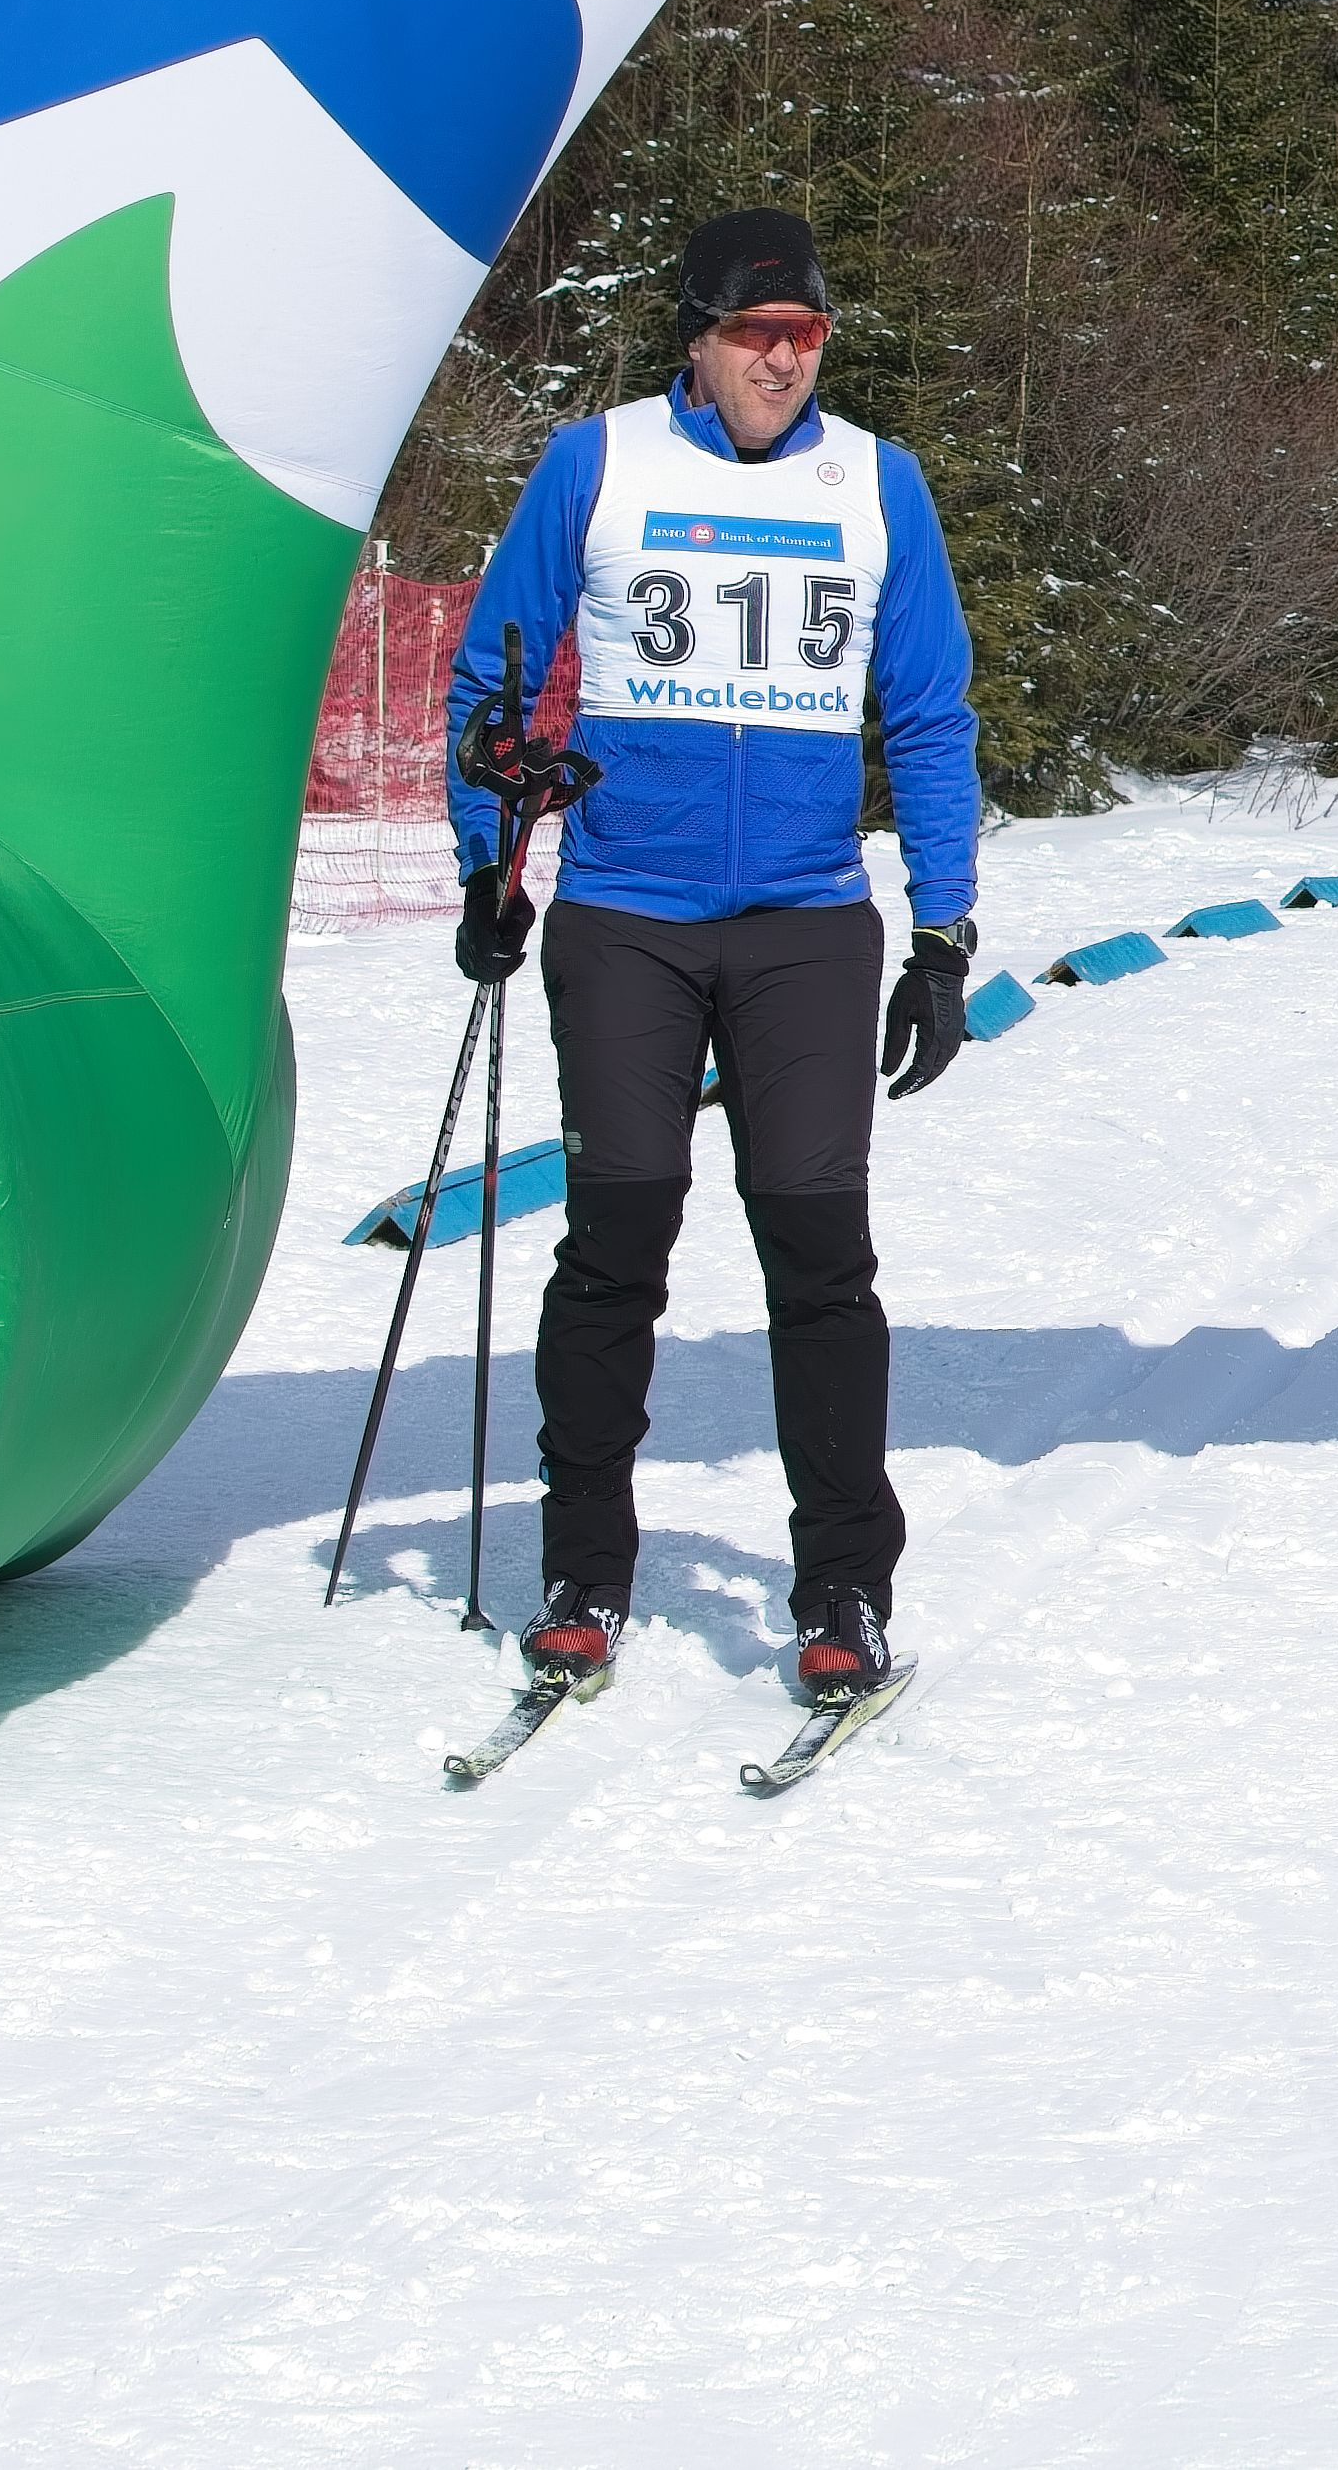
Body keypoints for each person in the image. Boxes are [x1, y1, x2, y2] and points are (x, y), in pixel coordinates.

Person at [444, 207, 982, 1718]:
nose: (783, 359)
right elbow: (492, 677)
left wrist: (943, 930)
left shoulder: (875, 482)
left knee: (820, 1256)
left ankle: (843, 1591)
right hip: (627, 914)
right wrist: (488, 867)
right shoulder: (597, 463)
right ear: (697, 337)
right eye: (756, 333)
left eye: (805, 333)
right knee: (616, 1242)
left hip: (806, 923)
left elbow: (928, 712)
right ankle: (583, 1574)